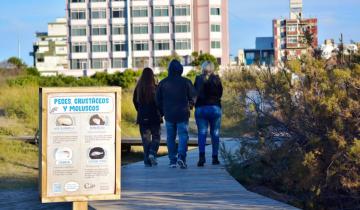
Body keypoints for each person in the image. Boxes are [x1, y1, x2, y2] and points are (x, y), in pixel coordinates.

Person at [156, 60, 196, 169]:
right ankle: (181, 157)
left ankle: (172, 161)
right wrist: (190, 105)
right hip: (183, 114)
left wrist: (162, 111)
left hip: (169, 114)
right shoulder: (186, 81)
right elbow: (193, 97)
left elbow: (157, 100)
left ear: (169, 70)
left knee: (170, 137)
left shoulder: (163, 83)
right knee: (183, 136)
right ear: (180, 69)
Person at [194, 61, 223, 167]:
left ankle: (202, 157)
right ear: (212, 69)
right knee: (215, 133)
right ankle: (215, 158)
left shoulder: (198, 79)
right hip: (214, 108)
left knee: (202, 133)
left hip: (201, 109)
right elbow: (220, 94)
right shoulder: (217, 79)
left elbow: (194, 93)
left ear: (203, 68)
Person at [133, 67, 162, 167]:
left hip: (142, 118)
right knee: (156, 137)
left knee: (146, 140)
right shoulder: (156, 87)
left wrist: (140, 111)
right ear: (152, 76)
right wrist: (161, 113)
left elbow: (134, 102)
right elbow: (159, 102)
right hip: (154, 116)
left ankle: (147, 161)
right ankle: (152, 153)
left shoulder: (138, 88)